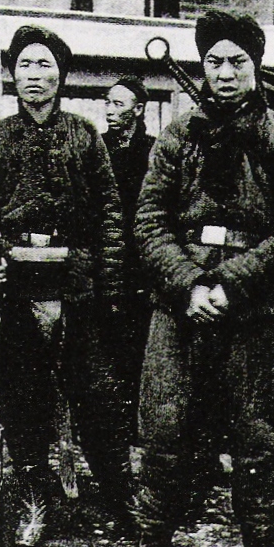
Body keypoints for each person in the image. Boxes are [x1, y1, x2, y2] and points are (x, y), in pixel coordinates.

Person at [107, 9, 274, 547]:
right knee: (163, 438)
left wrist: (230, 284)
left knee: (261, 445)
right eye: (215, 62)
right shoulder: (177, 137)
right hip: (180, 310)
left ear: (256, 66)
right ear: (203, 67)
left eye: (239, 62)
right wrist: (190, 285)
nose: (226, 74)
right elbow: (147, 222)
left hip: (254, 313)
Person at [0, 24, 132, 547]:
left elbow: (111, 214)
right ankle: (33, 501)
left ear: (62, 74)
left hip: (76, 286)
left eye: (45, 65)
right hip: (18, 290)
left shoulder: (84, 134)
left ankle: (118, 501)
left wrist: (104, 281)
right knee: (25, 404)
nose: (34, 76)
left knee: (98, 400)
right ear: (12, 75)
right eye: (25, 65)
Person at [103, 77, 156, 443]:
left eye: (118, 104)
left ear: (138, 109)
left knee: (138, 346)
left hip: (141, 263)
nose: (109, 110)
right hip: (107, 258)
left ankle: (137, 426)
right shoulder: (98, 148)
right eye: (108, 102)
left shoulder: (152, 151)